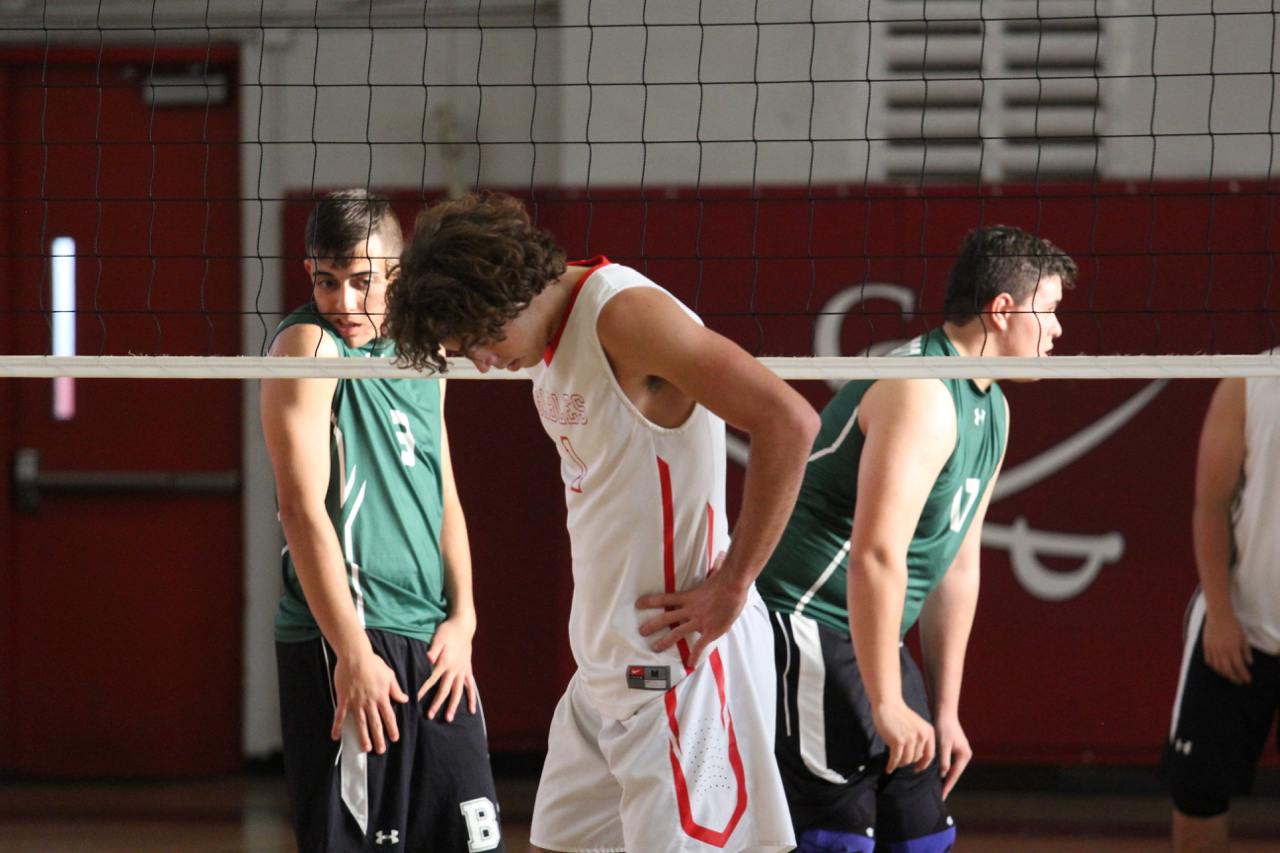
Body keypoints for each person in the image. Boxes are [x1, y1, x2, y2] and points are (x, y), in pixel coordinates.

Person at [383, 193, 820, 853]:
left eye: (482, 340)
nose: (481, 360)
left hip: (676, 667)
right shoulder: (546, 342)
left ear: (512, 293)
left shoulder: (625, 316)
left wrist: (733, 583)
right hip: (602, 670)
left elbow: (790, 420)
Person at [756, 225, 1074, 853]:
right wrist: (885, 699)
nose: (1058, 331)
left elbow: (955, 568)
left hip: (864, 632)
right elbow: (877, 555)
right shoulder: (923, 391)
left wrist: (945, 709)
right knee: (838, 839)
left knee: (922, 835)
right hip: (803, 621)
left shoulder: (992, 408)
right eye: (1052, 310)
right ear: (1003, 311)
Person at [260, 189, 503, 853]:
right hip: (350, 638)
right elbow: (301, 507)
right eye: (326, 280)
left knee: (473, 837)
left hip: (433, 642)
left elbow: (442, 491)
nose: (343, 301)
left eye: (363, 282)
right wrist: (350, 651)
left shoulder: (423, 352)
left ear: (397, 274)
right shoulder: (308, 343)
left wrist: (465, 617)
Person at [1164, 375, 1280, 853]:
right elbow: (1210, 505)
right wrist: (1221, 613)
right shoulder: (1250, 382)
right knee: (1198, 791)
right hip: (1241, 626)